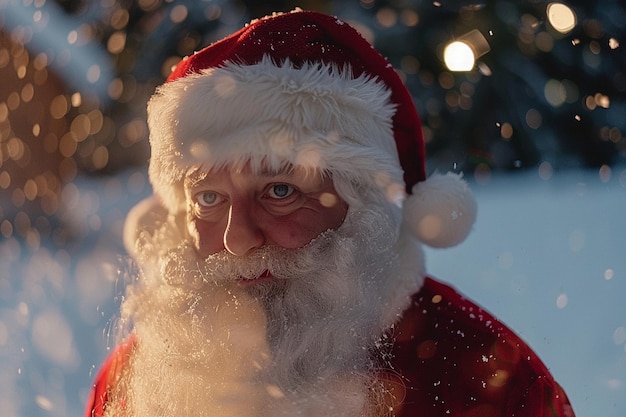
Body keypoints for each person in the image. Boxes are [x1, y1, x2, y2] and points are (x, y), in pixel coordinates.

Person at [85, 9, 574, 417]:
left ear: (364, 207)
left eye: (280, 190)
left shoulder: (484, 378)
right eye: (208, 198)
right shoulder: (139, 382)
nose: (236, 240)